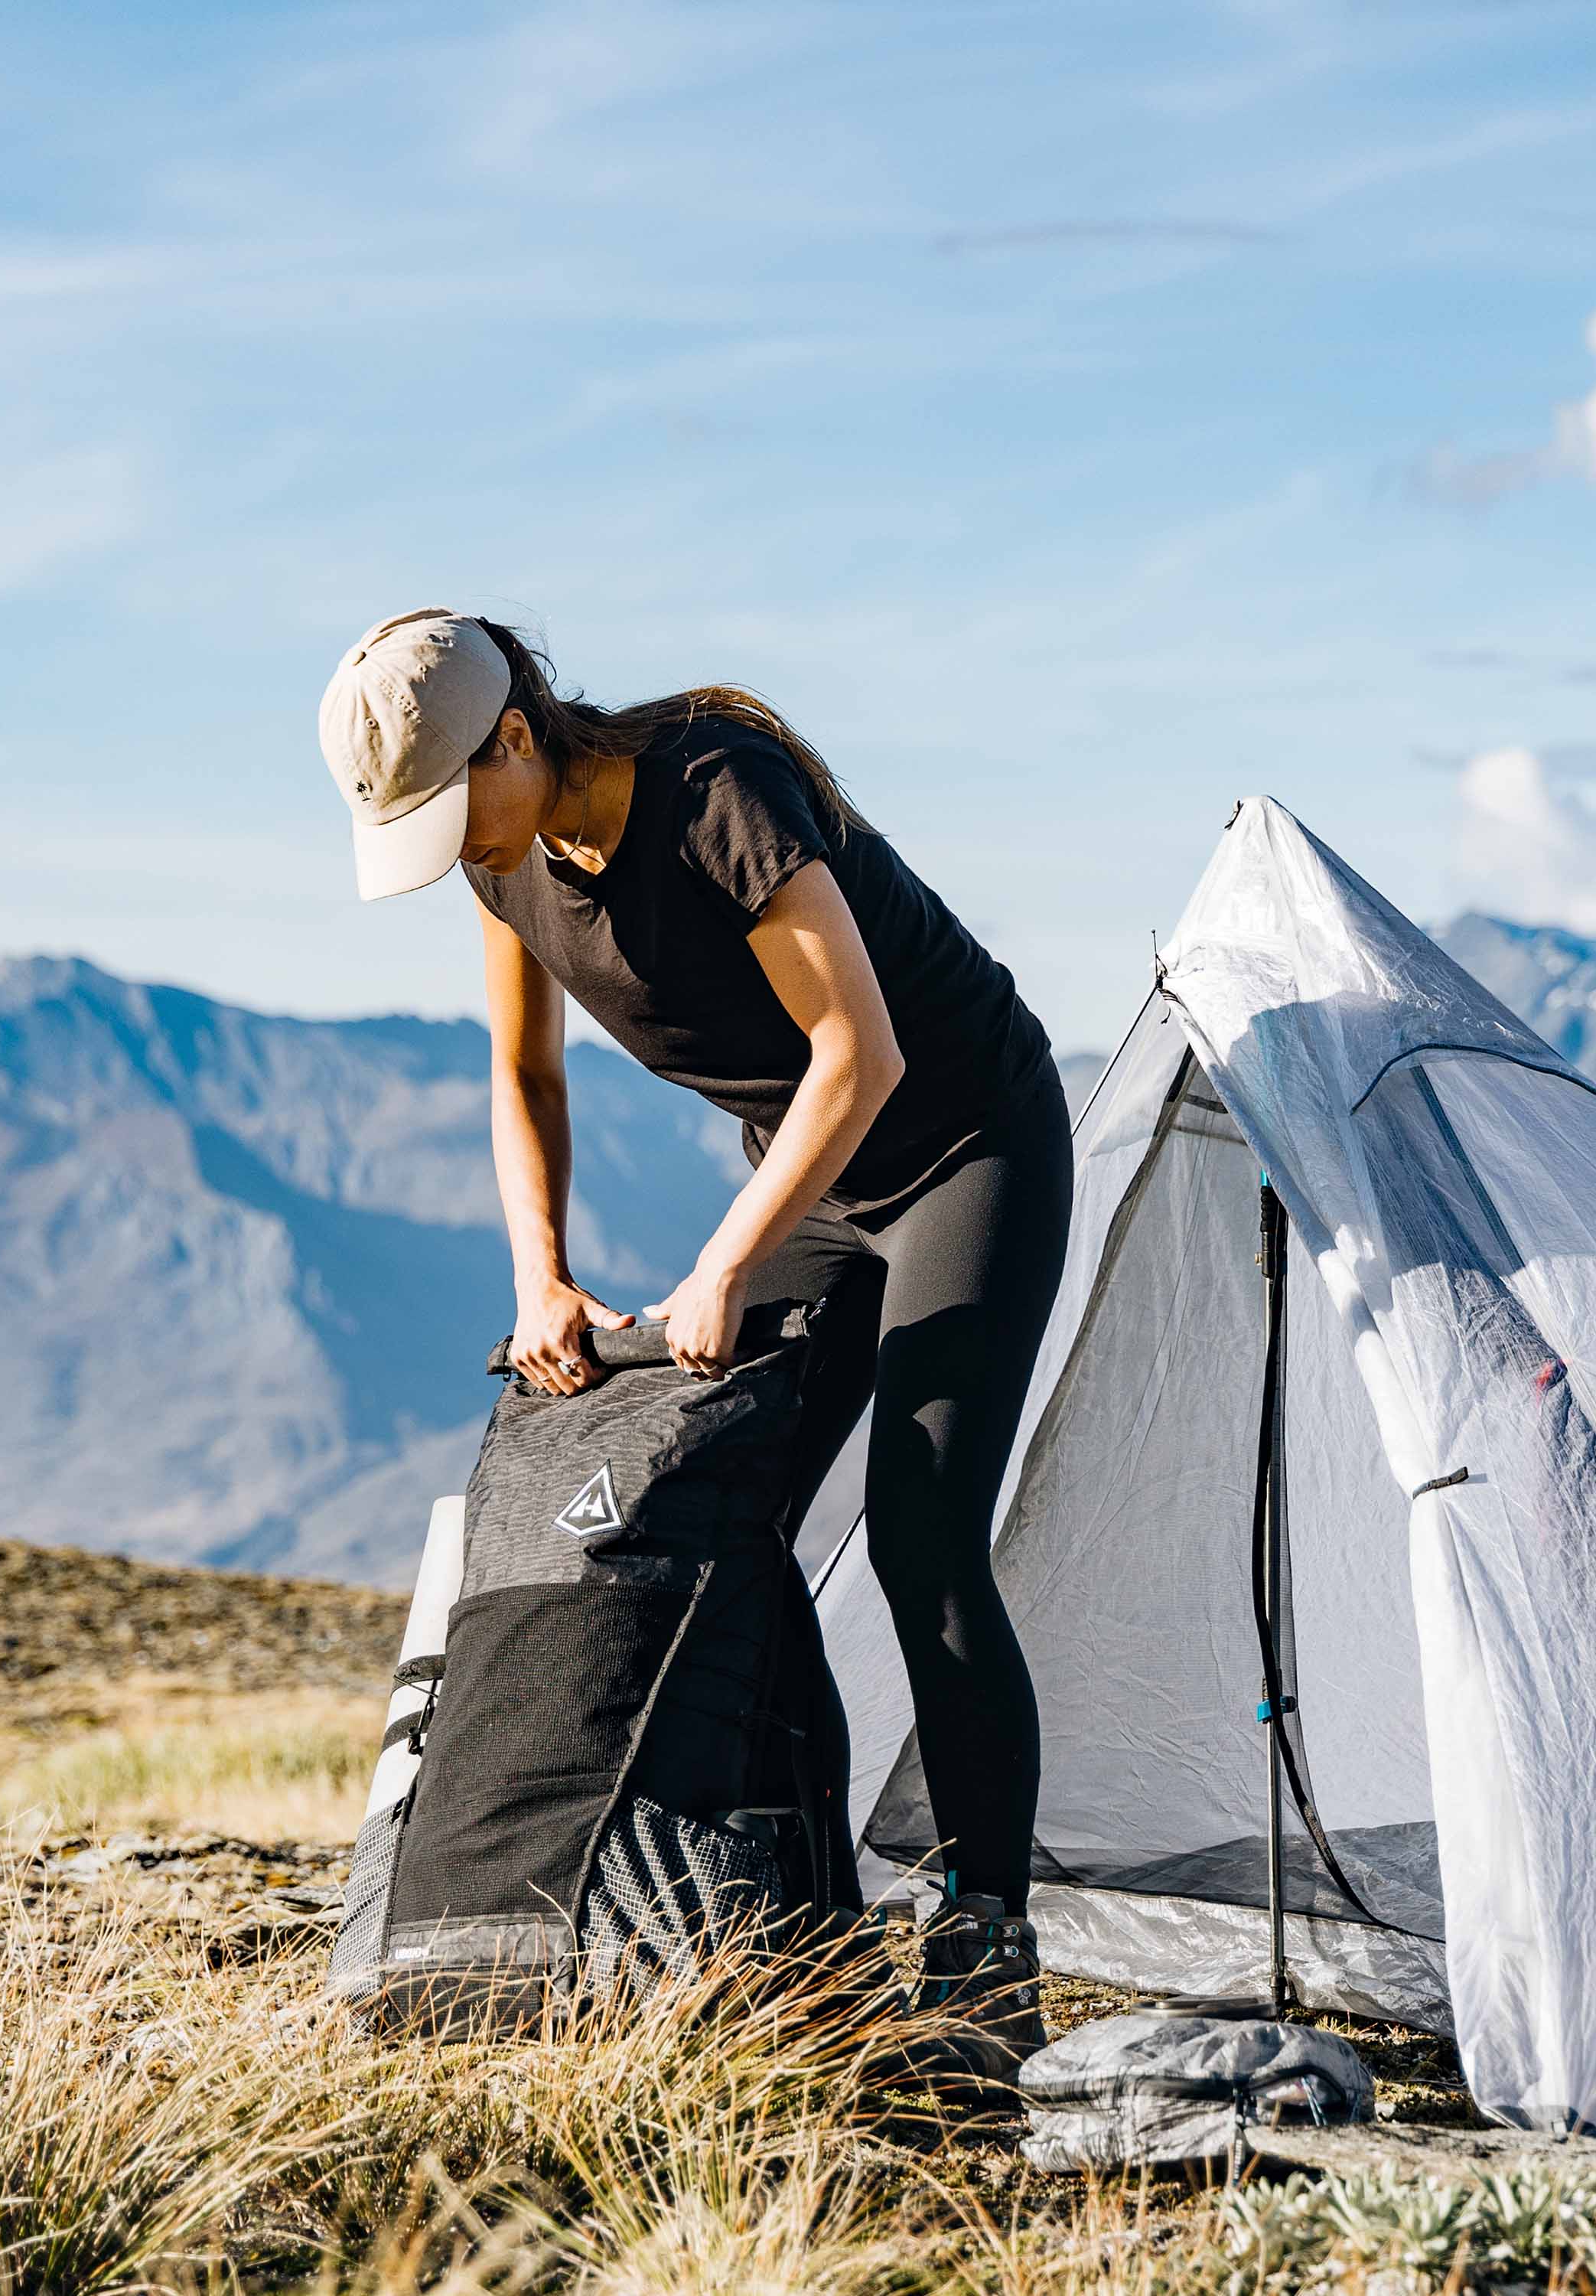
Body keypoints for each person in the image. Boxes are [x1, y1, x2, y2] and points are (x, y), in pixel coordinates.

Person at [317, 607, 1071, 2073]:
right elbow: (524, 1079)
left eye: (453, 810)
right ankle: (779, 1914)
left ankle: (987, 1944)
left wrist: (722, 1263)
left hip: (965, 1144)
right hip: (814, 1175)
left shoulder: (720, 789)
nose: (456, 853)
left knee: (924, 1539)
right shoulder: (508, 866)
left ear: (517, 735)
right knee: (708, 1520)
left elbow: (864, 1047)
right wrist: (542, 1278)